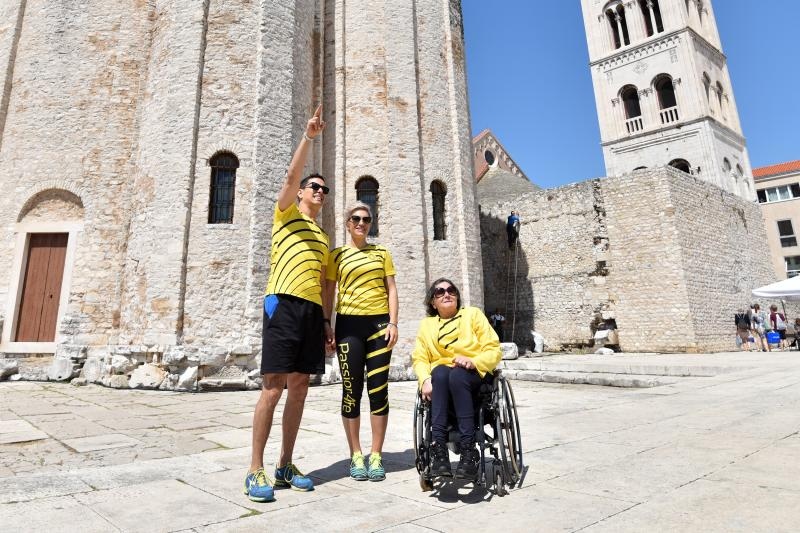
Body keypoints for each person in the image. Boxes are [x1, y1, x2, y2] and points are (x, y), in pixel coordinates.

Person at [244, 105, 333, 503]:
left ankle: (285, 464)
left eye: (324, 189)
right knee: (272, 388)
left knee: (299, 388)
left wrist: (327, 322)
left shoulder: (324, 238)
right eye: (314, 186)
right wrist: (308, 137)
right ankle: (254, 469)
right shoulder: (285, 215)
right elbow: (289, 176)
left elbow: (324, 284)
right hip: (282, 304)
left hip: (311, 313)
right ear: (300, 192)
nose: (319, 191)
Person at [324, 202, 399, 482]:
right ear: (347, 223)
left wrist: (393, 322)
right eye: (356, 218)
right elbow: (329, 292)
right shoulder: (337, 255)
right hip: (348, 326)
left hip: (379, 326)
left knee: (379, 390)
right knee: (351, 391)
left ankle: (376, 454)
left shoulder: (382, 253)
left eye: (366, 219)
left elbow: (392, 289)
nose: (361, 223)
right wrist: (326, 323)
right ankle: (356, 454)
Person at [411, 278, 502, 480]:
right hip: (442, 381)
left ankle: (469, 450)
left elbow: (493, 349)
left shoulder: (473, 315)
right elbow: (420, 358)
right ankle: (439, 449)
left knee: (458, 375)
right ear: (433, 302)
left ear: (457, 296)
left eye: (451, 290)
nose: (446, 294)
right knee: (440, 373)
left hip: (473, 376)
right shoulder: (426, 325)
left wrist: (474, 361)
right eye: (440, 292)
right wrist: (424, 380)